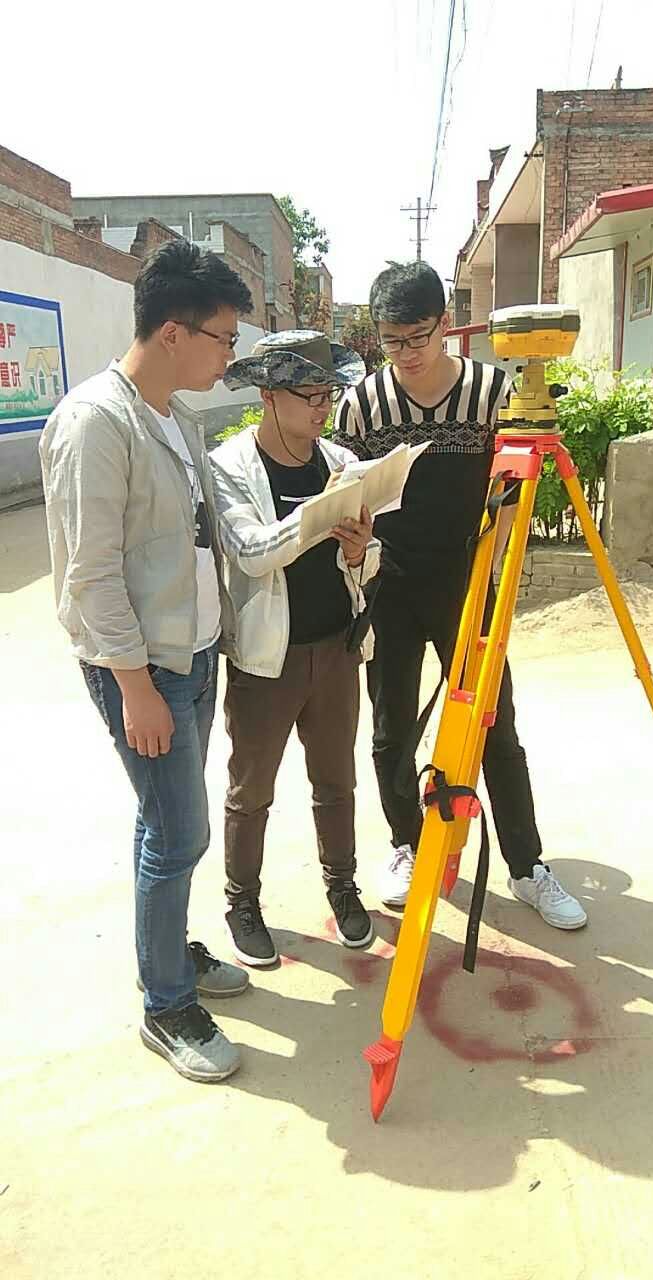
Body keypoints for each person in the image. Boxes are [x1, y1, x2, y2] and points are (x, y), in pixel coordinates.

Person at [39, 239, 254, 1084]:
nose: (228, 356)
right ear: (173, 331)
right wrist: (136, 689)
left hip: (192, 653)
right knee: (180, 831)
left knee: (163, 822)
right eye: (222, 338)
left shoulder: (176, 416)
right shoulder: (98, 422)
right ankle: (166, 1005)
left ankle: (164, 951)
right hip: (144, 668)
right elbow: (89, 576)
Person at [333, 261, 587, 930]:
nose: (406, 354)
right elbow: (345, 492)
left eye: (417, 337)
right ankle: (408, 845)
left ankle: (527, 866)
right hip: (388, 585)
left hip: (467, 582)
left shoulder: (491, 393)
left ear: (445, 325)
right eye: (391, 341)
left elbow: (511, 492)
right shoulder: (361, 405)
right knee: (391, 728)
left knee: (496, 727)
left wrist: (490, 569)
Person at [211, 330, 380, 966]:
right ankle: (242, 902)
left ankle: (343, 885)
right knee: (251, 788)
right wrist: (317, 518)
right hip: (266, 660)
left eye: (328, 393)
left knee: (336, 780)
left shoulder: (339, 460)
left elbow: (368, 561)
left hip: (336, 648)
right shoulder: (229, 467)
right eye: (308, 395)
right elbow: (251, 553)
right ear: (267, 395)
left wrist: (359, 550)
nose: (321, 407)